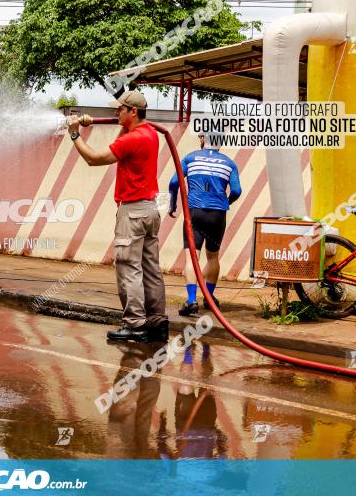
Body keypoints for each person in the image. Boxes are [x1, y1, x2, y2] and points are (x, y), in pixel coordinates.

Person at [66, 90, 168, 343]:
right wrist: (110, 124)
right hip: (149, 210)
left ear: (133, 112)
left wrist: (75, 133)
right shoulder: (150, 134)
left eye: (120, 110)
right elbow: (126, 136)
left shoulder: (131, 140)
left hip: (132, 212)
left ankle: (134, 325)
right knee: (150, 269)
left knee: (129, 268)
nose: (115, 113)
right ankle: (157, 323)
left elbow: (93, 159)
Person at [168, 134, 241, 316]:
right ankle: (209, 298)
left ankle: (192, 301)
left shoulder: (190, 158)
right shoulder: (229, 164)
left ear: (203, 140)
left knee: (192, 257)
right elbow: (237, 190)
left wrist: (173, 203)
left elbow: (174, 182)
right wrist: (226, 202)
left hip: (195, 212)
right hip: (218, 214)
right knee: (213, 257)